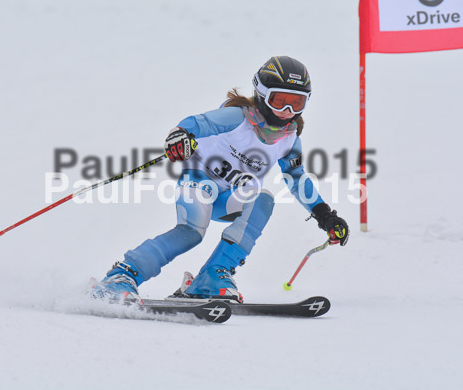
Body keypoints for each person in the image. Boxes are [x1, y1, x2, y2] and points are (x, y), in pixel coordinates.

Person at [89, 56, 349, 303]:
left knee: (263, 199)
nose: (287, 110)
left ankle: (211, 278)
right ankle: (121, 276)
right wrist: (180, 136)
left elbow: (296, 179)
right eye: (279, 100)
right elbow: (194, 123)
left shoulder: (290, 139)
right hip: (199, 183)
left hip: (229, 198)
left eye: (297, 103)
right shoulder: (237, 118)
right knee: (192, 232)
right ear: (261, 93)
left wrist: (325, 215)